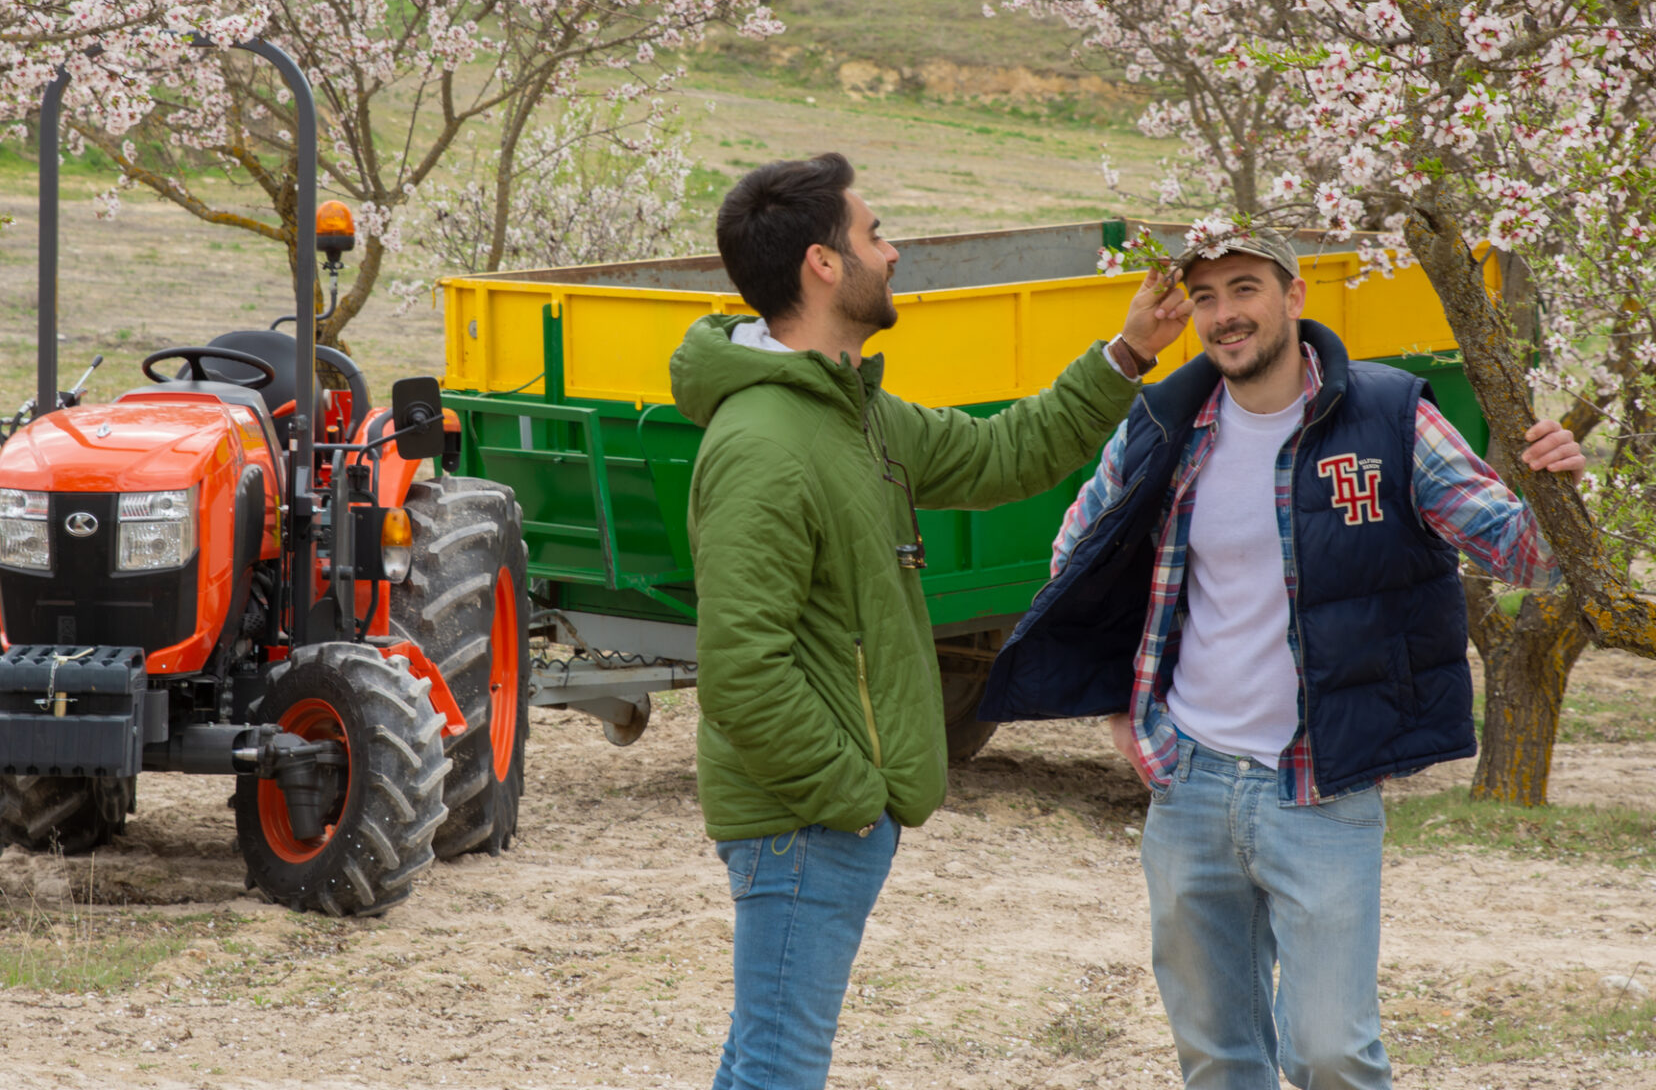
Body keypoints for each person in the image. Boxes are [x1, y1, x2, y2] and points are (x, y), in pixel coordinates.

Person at [978, 230, 1586, 1090]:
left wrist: (1556, 488)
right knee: (1220, 1059)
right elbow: (1077, 555)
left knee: (1332, 1054)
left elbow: (1526, 557)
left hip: (1323, 790)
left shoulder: (1387, 416)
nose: (1225, 314)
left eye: (1244, 288)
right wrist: (1123, 709)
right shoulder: (1165, 423)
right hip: (1187, 783)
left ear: (1294, 296)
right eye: (1205, 297)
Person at [668, 151, 1193, 1090]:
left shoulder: (851, 415)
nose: (894, 250)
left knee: (764, 1055)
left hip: (823, 817)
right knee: (781, 1067)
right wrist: (850, 795)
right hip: (803, 819)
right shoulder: (762, 444)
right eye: (874, 234)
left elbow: (1004, 455)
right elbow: (743, 667)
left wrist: (1131, 353)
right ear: (824, 265)